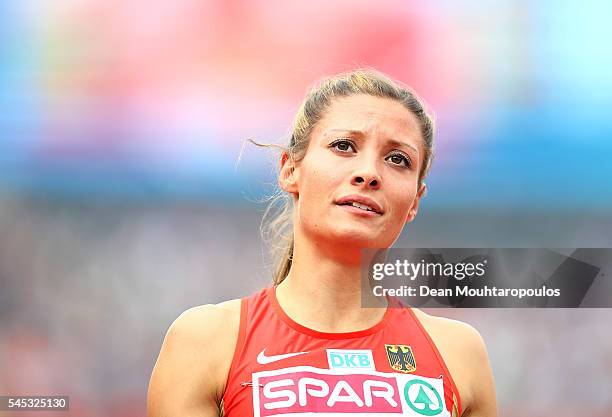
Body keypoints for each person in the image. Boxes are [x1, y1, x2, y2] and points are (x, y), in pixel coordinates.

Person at [147, 69, 497, 417]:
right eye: (344, 146)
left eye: (397, 159)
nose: (369, 173)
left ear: (415, 201)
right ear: (290, 169)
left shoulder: (457, 354)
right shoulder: (206, 341)